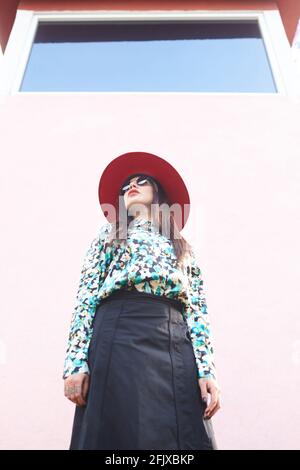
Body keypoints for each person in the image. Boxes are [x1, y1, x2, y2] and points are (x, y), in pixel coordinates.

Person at [62, 151, 221, 450]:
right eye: (126, 185)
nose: (130, 186)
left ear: (158, 192)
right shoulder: (108, 234)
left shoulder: (183, 247)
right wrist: (75, 363)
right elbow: (85, 297)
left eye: (141, 181)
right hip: (117, 335)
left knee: (179, 436)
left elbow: (198, 311)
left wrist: (207, 371)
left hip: (174, 342)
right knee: (117, 434)